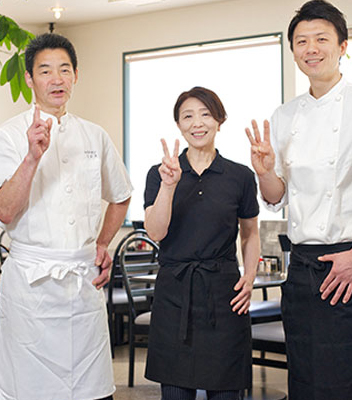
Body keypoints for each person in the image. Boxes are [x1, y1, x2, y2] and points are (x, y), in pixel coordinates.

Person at [245, 1, 352, 399]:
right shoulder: (284, 115)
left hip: (350, 261)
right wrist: (264, 171)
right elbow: (276, 198)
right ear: (293, 50)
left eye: (321, 39)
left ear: (342, 46)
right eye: (301, 41)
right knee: (307, 380)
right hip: (301, 269)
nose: (310, 49)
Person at [0, 33, 133, 400]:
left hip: (82, 282)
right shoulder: (9, 136)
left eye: (64, 69)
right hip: (30, 286)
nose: (56, 79)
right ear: (29, 79)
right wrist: (32, 157)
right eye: (45, 71)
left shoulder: (94, 135)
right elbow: (5, 210)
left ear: (76, 75)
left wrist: (103, 243)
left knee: (91, 391)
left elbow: (120, 196)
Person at [144, 86, 260, 400]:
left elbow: (250, 234)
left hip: (224, 296)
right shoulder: (160, 174)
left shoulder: (240, 176)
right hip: (174, 294)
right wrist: (169, 187)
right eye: (188, 116)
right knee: (176, 394)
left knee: (225, 393)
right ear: (179, 125)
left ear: (219, 121)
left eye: (206, 114)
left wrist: (248, 277)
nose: (198, 123)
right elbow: (155, 232)